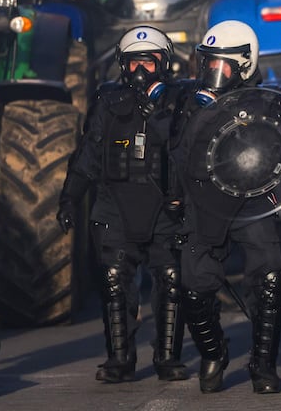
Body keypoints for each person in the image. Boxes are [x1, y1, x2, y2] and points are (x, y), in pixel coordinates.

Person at [57, 25, 189, 383]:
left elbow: (192, 152)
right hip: (115, 203)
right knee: (114, 281)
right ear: (122, 65)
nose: (141, 71)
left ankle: (167, 357)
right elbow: (87, 155)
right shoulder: (108, 102)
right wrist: (70, 198)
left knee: (171, 279)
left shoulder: (180, 102)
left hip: (164, 206)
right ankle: (119, 359)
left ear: (164, 63)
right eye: (133, 63)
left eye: (149, 62)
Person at [170, 20, 281, 394]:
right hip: (205, 201)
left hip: (251, 200)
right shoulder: (189, 103)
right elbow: (176, 155)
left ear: (244, 64)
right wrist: (173, 197)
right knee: (193, 286)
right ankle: (213, 352)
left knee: (271, 276)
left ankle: (263, 364)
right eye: (209, 62)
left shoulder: (269, 101)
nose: (214, 71)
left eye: (222, 64)